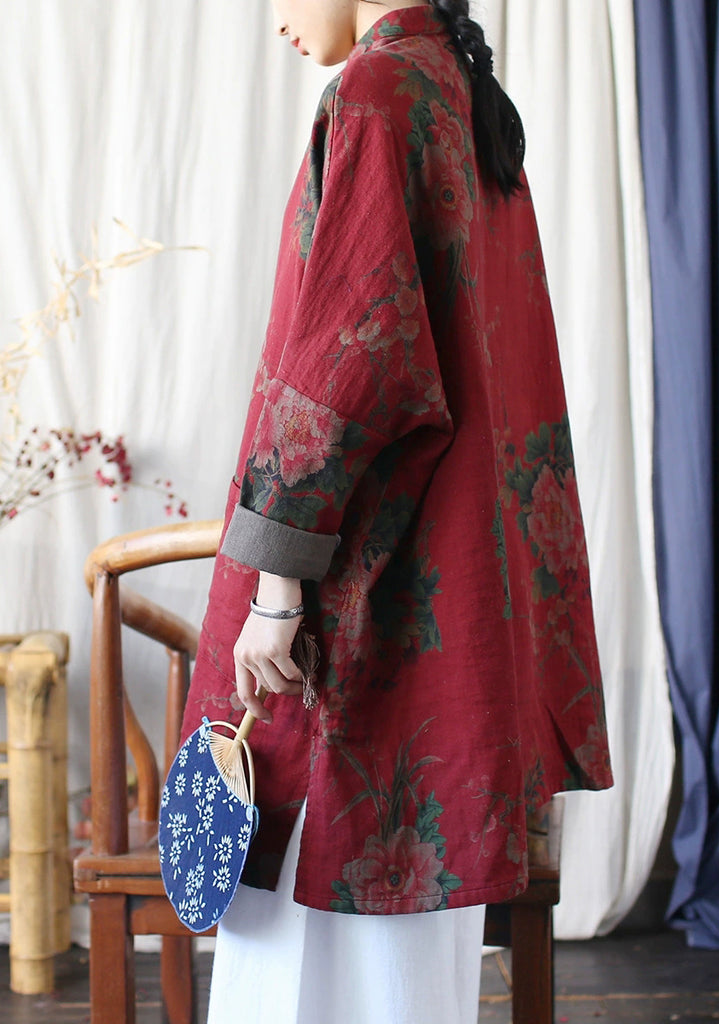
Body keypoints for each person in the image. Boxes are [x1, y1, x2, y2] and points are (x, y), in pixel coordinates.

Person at [180, 2, 613, 1021]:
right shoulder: (457, 88)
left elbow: (351, 361)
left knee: (308, 944)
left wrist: (277, 585)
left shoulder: (377, 93)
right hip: (450, 605)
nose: (276, 18)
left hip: (364, 605)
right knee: (402, 965)